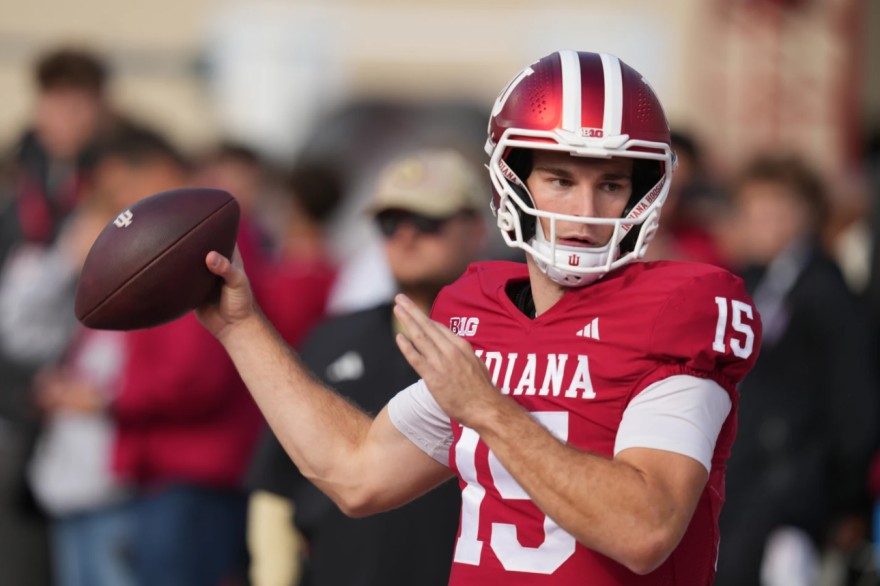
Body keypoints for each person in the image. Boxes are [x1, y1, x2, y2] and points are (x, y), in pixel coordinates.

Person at [196, 51, 763, 585]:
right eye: (561, 181)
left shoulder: (677, 312)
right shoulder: (482, 314)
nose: (585, 213)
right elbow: (356, 473)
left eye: (610, 185)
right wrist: (241, 328)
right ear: (512, 179)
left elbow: (645, 528)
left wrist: (489, 408)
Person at [247, 149, 482, 586]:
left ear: (476, 227)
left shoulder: (512, 342)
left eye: (428, 221)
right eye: (390, 223)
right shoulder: (333, 336)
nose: (406, 236)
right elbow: (276, 482)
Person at [714, 156, 878, 586]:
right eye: (752, 211)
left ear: (807, 215)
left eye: (776, 210)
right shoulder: (749, 283)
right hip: (745, 488)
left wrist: (849, 502)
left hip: (796, 497)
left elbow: (854, 400)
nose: (762, 223)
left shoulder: (825, 291)